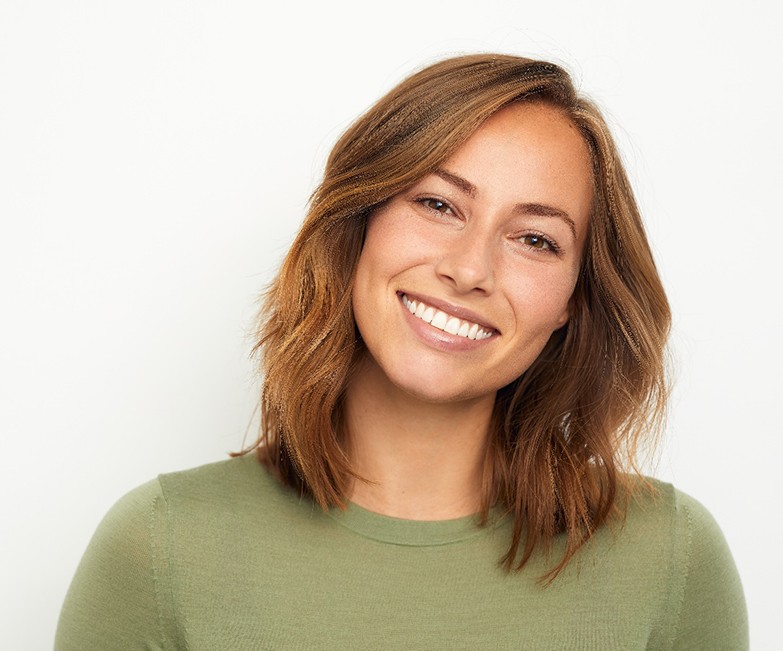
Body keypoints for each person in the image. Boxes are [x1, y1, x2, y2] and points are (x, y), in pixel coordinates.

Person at [55, 53, 748, 650]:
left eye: (534, 238)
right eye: (438, 204)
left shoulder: (669, 559)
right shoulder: (162, 547)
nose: (469, 269)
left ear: (573, 297)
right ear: (358, 220)